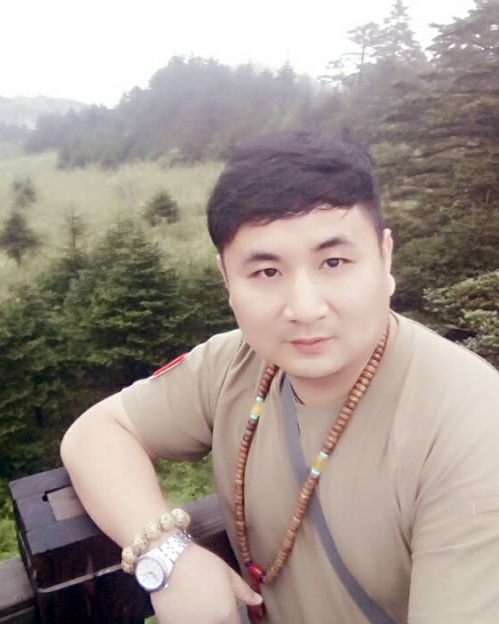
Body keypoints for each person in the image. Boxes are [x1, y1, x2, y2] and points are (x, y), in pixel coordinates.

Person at [60, 132, 499, 624]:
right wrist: (167, 554)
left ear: (385, 256)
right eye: (267, 272)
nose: (305, 308)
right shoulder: (236, 363)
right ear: (227, 279)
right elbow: (95, 434)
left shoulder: (473, 432)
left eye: (334, 262)